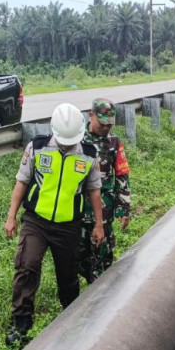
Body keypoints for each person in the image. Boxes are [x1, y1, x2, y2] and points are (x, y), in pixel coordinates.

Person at [2, 103, 105, 343]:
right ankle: (22, 323)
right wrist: (11, 217)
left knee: (67, 276)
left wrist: (99, 225)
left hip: (68, 226)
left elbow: (94, 191)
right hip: (36, 221)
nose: (67, 145)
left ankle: (72, 319)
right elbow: (21, 182)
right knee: (27, 266)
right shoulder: (37, 148)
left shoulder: (89, 154)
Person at [78, 98, 131, 284]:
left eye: (110, 124)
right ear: (90, 115)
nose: (106, 128)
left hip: (105, 210)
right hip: (79, 211)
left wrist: (123, 207)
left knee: (103, 256)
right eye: (102, 123)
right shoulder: (76, 140)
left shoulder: (114, 143)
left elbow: (122, 175)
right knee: (80, 257)